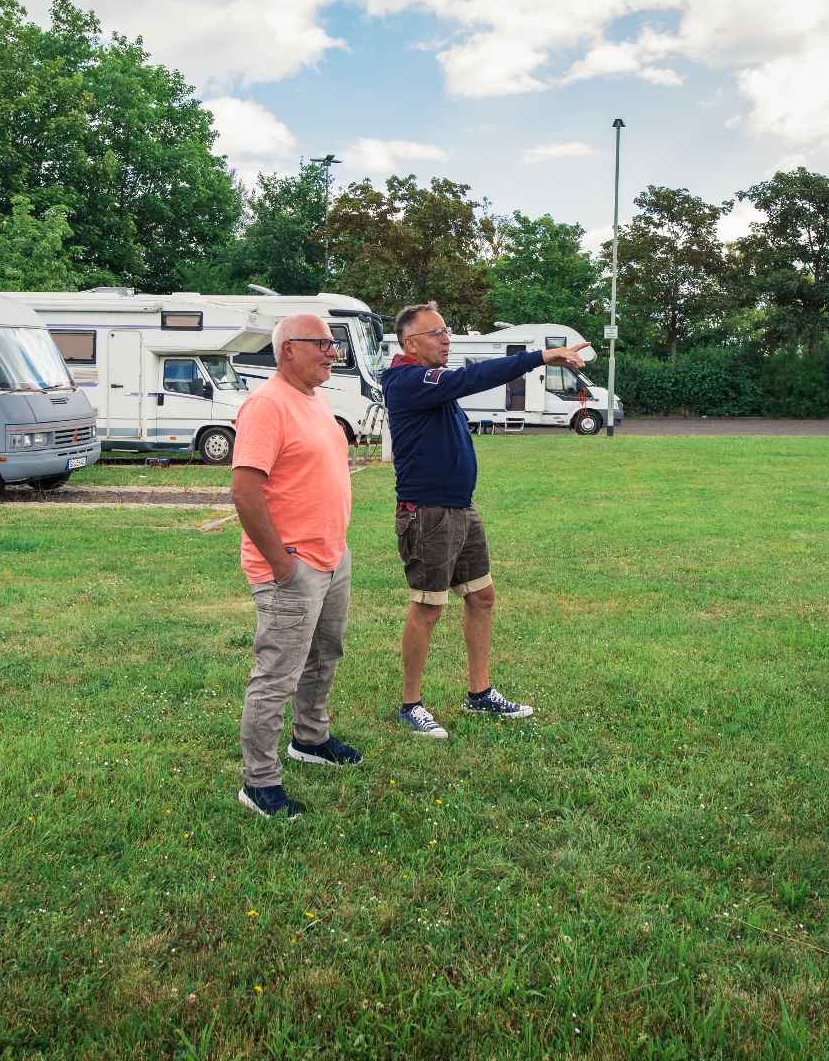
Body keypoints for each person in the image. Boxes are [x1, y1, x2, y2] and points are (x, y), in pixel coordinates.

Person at [382, 302, 588, 738]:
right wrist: (540, 356)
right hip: (427, 513)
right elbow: (470, 378)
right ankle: (410, 704)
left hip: (461, 508)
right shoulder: (405, 380)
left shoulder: (432, 383)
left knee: (482, 597)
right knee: (428, 606)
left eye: (447, 331)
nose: (446, 339)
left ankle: (480, 695)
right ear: (410, 343)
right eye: (436, 333)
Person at [228, 312, 363, 819]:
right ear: (289, 349)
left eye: (334, 345)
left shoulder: (314, 396)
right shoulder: (266, 405)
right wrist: (281, 565)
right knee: (276, 675)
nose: (333, 352)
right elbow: (244, 491)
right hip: (292, 567)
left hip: (331, 556)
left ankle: (310, 739)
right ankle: (258, 783)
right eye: (323, 344)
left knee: (325, 655)